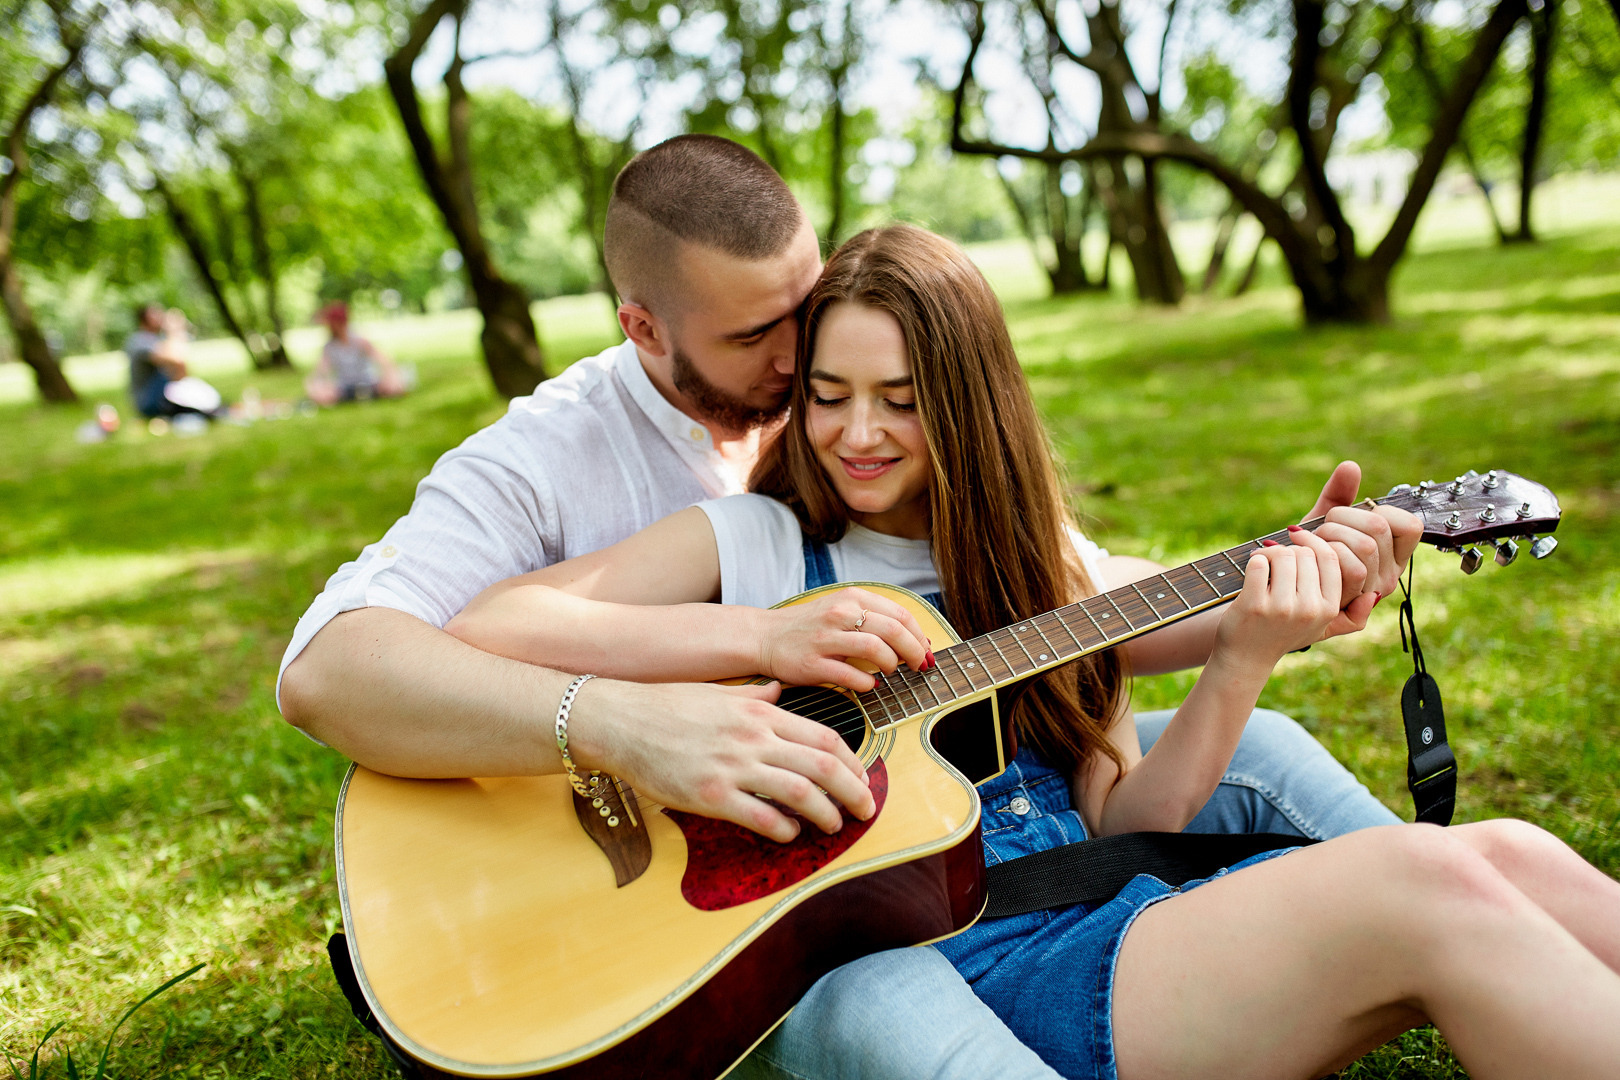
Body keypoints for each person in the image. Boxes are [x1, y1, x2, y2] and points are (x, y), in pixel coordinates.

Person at [279, 136, 1411, 1077]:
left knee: (1263, 744)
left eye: (805, 312)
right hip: (682, 866)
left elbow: (1061, 599)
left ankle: (1454, 915)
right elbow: (335, 671)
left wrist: (1266, 601)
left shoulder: (846, 393)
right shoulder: (543, 460)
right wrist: (654, 705)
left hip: (915, 786)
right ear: (644, 329)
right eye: (761, 341)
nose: (799, 364)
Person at [445, 224, 1620, 1080]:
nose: (858, 434)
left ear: (967, 403)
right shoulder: (751, 540)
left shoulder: (1038, 568)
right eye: (828, 395)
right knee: (1431, 878)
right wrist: (761, 635)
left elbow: (1124, 814)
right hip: (954, 978)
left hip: (1097, 930)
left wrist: (1243, 657)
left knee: (1504, 851)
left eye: (902, 400)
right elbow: (494, 625)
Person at [125, 304, 225, 420]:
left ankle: (211, 409)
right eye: (155, 314)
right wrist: (174, 330)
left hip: (163, 394)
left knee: (198, 393)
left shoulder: (157, 339)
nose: (161, 316)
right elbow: (177, 360)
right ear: (144, 318)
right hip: (149, 401)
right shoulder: (139, 341)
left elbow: (181, 372)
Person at [305, 301, 408, 405]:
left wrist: (390, 376)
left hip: (368, 383)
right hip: (344, 387)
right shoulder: (329, 347)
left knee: (392, 387)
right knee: (323, 393)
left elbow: (384, 360)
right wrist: (315, 385)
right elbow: (322, 370)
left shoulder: (359, 340)